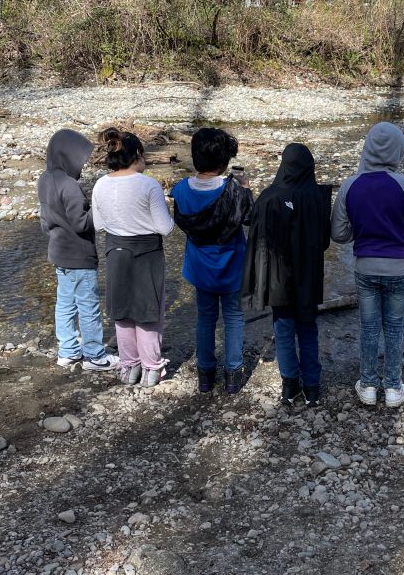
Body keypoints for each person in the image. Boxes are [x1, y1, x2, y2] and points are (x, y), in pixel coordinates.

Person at [331, 122, 404, 408]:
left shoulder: (351, 185)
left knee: (369, 327)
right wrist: (402, 229)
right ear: (398, 150)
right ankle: (393, 387)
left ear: (368, 147)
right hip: (399, 268)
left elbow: (338, 234)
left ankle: (367, 385)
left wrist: (358, 231)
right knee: (395, 327)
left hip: (365, 267)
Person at [243, 144, 332, 407]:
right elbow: (324, 241)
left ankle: (289, 386)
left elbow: (256, 239)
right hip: (307, 275)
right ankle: (312, 387)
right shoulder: (318, 197)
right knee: (308, 328)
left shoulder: (269, 196)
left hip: (278, 278)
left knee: (282, 329)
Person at [171, 127, 253, 395]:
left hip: (200, 267)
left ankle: (205, 375)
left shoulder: (181, 190)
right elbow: (249, 219)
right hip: (231, 266)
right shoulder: (235, 191)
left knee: (205, 318)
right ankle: (233, 374)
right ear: (224, 160)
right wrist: (246, 189)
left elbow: (179, 220)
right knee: (233, 317)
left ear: (195, 157)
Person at [91, 129, 175, 387]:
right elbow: (165, 228)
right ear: (137, 154)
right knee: (149, 312)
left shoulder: (100, 184)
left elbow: (98, 224)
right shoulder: (147, 184)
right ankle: (152, 368)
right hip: (147, 253)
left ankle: (129, 367)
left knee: (122, 312)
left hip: (115, 251)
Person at [37, 129, 119, 372]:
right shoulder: (70, 186)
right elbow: (81, 223)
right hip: (80, 255)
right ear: (68, 157)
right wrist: (98, 207)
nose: (82, 165)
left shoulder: (44, 179)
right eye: (80, 160)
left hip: (58, 252)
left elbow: (44, 221)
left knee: (64, 303)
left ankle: (68, 351)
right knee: (88, 305)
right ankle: (95, 355)